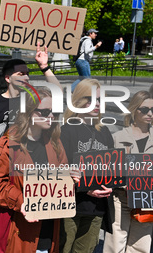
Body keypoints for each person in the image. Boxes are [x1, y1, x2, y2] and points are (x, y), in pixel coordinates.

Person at [0, 88, 69, 252]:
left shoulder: (55, 143)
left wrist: (71, 179)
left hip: (48, 233)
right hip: (20, 232)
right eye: (45, 111)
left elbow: (61, 179)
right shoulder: (8, 145)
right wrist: (22, 202)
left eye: (54, 112)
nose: (51, 116)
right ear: (28, 112)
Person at [59, 79, 113, 253]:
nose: (96, 104)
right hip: (70, 206)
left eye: (99, 99)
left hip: (96, 207)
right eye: (91, 99)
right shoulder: (66, 130)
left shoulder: (104, 131)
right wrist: (85, 188)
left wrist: (111, 183)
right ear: (78, 101)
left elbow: (112, 166)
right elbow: (59, 169)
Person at [103, 90, 153, 253]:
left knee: (140, 246)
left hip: (147, 200)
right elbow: (109, 169)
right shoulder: (117, 137)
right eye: (144, 109)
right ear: (134, 110)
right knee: (114, 245)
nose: (150, 113)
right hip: (121, 198)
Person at [0, 43, 62, 139]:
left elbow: (58, 93)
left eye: (27, 74)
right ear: (8, 78)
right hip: (2, 151)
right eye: (21, 74)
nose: (26, 77)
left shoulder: (32, 98)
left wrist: (44, 67)